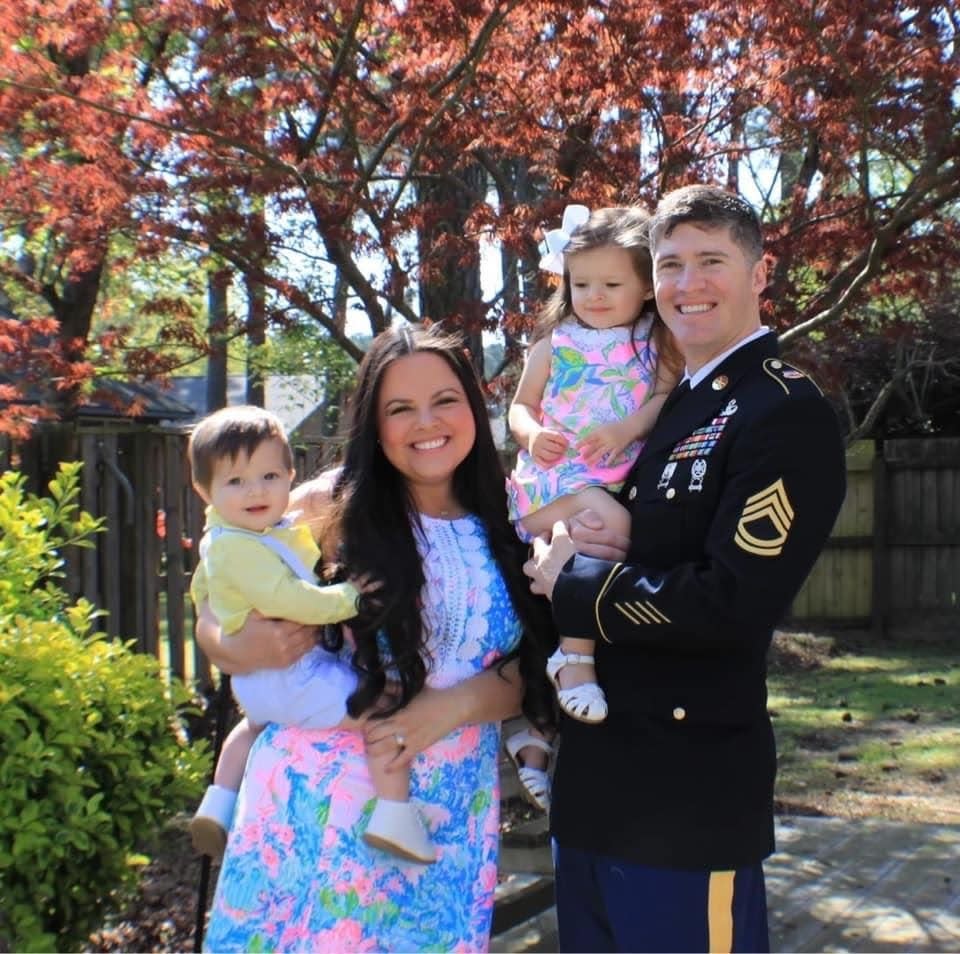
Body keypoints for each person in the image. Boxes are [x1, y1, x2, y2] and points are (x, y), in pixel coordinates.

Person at [524, 184, 847, 953]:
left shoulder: (781, 410)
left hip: (684, 799)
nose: (686, 285)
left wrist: (570, 585)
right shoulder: (664, 404)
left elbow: (729, 603)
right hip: (595, 786)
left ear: (760, 273)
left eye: (712, 261)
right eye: (670, 264)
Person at [198, 326, 553, 953]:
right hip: (317, 803)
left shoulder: (517, 511)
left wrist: (457, 706)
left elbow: (543, 662)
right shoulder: (327, 506)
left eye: (445, 400)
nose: (426, 423)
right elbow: (216, 577)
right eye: (399, 408)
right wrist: (227, 645)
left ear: (474, 405)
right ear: (373, 422)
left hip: (448, 812)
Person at [186, 405, 434, 864]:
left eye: (268, 476)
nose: (255, 491)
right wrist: (349, 597)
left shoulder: (229, 540)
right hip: (293, 677)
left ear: (289, 474)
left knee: (251, 727)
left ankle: (218, 803)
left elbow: (201, 591)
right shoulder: (245, 547)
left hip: (258, 684)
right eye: (235, 482)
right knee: (381, 709)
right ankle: (395, 816)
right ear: (205, 490)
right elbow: (291, 600)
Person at [503, 204, 682, 808]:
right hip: (549, 487)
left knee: (574, 578)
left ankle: (534, 730)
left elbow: (663, 400)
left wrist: (627, 428)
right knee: (584, 554)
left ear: (644, 287)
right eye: (583, 285)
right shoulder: (555, 343)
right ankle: (571, 666)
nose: (596, 296)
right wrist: (531, 435)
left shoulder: (654, 341)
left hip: (607, 480)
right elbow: (520, 407)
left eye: (612, 284)